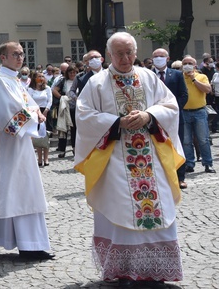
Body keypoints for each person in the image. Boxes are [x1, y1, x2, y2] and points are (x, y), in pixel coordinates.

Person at [75, 32, 184, 285]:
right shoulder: (98, 82)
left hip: (150, 158)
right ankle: (123, 271)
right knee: (119, 210)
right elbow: (84, 116)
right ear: (109, 55)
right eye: (119, 53)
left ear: (135, 52)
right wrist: (116, 122)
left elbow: (170, 106)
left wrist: (150, 116)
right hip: (114, 158)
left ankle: (156, 271)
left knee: (159, 208)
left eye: (129, 53)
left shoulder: (148, 77)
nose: (125, 58)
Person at [0, 41, 54, 261]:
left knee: (17, 194)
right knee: (16, 193)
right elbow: (4, 117)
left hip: (21, 146)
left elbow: (28, 104)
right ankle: (29, 246)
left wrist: (38, 113)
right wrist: (34, 117)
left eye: (22, 54)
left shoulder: (15, 81)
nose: (20, 58)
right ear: (3, 57)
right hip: (7, 148)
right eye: (15, 54)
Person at [152, 49, 189, 189]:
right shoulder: (148, 75)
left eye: (161, 56)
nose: (158, 58)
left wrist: (171, 110)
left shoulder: (177, 74)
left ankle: (180, 177)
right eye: (155, 56)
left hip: (174, 117)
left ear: (167, 58)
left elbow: (184, 95)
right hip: (154, 117)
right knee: (158, 146)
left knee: (177, 145)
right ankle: (160, 178)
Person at [180, 55, 214, 174]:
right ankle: (189, 163)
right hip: (184, 112)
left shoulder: (201, 76)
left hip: (199, 111)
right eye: (185, 63)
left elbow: (207, 90)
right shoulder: (179, 77)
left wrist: (194, 79)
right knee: (186, 140)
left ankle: (208, 163)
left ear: (195, 65)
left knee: (203, 139)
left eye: (190, 63)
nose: (187, 65)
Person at [27, 72, 53, 167]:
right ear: (34, 78)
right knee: (37, 135)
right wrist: (37, 113)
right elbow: (30, 101)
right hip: (35, 113)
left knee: (46, 135)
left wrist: (45, 111)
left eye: (42, 76)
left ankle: (46, 157)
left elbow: (50, 100)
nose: (41, 78)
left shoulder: (47, 88)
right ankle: (39, 158)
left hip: (45, 111)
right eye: (39, 76)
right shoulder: (30, 89)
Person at [52, 66, 78, 158]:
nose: (72, 74)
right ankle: (62, 150)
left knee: (75, 129)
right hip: (65, 107)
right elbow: (54, 90)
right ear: (67, 73)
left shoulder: (78, 80)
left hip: (76, 108)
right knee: (63, 129)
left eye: (74, 72)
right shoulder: (63, 81)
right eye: (70, 72)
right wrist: (61, 98)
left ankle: (75, 149)